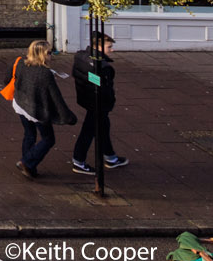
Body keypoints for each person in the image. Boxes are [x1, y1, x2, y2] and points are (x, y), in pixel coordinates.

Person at [10, 40, 77, 179]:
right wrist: (68, 117)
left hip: (21, 105)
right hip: (37, 111)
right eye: (49, 52)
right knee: (48, 139)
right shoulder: (45, 74)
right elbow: (56, 98)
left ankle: (29, 165)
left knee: (29, 134)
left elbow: (8, 79)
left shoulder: (21, 63)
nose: (51, 55)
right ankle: (27, 162)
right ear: (42, 54)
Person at [69, 32, 129, 174]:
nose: (112, 50)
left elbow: (83, 76)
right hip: (98, 104)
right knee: (89, 131)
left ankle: (110, 157)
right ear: (100, 47)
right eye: (109, 47)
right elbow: (104, 88)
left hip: (86, 98)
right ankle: (78, 160)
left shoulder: (80, 56)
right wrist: (109, 102)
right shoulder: (102, 67)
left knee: (103, 127)